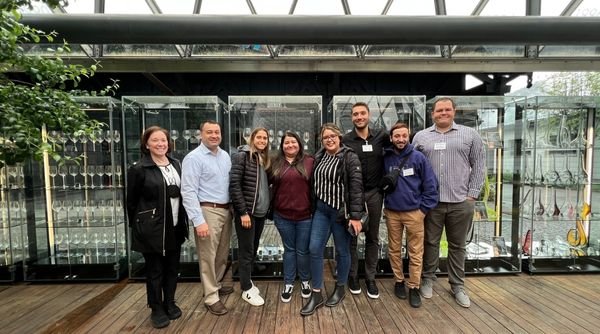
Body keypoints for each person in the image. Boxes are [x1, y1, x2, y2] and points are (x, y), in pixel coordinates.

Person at [412, 97, 485, 308]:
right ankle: (428, 278)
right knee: (430, 242)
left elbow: (479, 165)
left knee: (457, 245)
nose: (443, 113)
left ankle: (457, 285)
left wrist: (472, 195)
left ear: (454, 111)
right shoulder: (421, 137)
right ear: (432, 113)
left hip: (460, 201)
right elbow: (414, 168)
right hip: (431, 203)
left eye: (447, 110)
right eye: (439, 110)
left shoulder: (470, 135)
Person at [126, 126, 188, 329]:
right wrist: (138, 226)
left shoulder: (176, 164)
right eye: (156, 140)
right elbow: (131, 202)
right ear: (146, 144)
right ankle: (156, 307)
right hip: (152, 229)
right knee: (154, 270)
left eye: (164, 140)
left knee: (172, 268)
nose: (161, 144)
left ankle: (169, 302)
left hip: (175, 225)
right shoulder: (139, 169)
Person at [301, 123, 364, 316]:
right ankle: (317, 293)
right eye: (325, 137)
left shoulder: (349, 157)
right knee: (314, 248)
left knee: (342, 251)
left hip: (340, 213)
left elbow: (356, 187)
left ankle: (340, 287)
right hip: (321, 210)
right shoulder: (319, 156)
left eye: (332, 136)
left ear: (339, 138)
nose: (329, 139)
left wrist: (355, 216)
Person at [382, 122, 439, 308]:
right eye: (396, 136)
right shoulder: (386, 157)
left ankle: (414, 286)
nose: (400, 139)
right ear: (391, 138)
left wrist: (423, 210)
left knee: (416, 252)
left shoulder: (418, 157)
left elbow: (431, 186)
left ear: (409, 136)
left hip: (414, 213)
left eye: (404, 136)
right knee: (394, 249)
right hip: (392, 212)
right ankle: (398, 281)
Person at [181, 120, 233, 316]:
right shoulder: (193, 158)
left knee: (221, 254)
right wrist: (198, 220)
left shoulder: (225, 156)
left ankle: (217, 284)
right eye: (209, 132)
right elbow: (188, 191)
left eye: (217, 132)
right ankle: (211, 297)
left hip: (225, 211)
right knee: (207, 257)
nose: (214, 135)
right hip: (207, 211)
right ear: (200, 135)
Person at [342, 102, 389, 299]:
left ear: (369, 115)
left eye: (362, 113)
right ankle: (353, 276)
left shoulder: (381, 137)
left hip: (375, 194)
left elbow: (400, 148)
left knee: (373, 237)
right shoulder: (345, 140)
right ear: (352, 118)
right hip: (353, 195)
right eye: (355, 114)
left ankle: (370, 277)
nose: (359, 117)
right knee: (352, 237)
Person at [270, 131, 314, 303]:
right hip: (283, 216)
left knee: (302, 250)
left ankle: (304, 281)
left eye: (293, 142)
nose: (290, 145)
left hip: (305, 216)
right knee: (289, 250)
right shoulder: (275, 163)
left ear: (299, 144)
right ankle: (288, 282)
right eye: (286, 143)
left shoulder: (310, 161)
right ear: (282, 146)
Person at [229, 127, 271, 306]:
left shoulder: (262, 158)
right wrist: (243, 212)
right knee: (246, 252)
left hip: (260, 214)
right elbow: (234, 185)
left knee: (253, 247)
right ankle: (246, 289)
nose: (262, 140)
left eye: (265, 138)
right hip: (248, 214)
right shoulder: (242, 156)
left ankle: (249, 281)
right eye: (259, 137)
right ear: (252, 138)